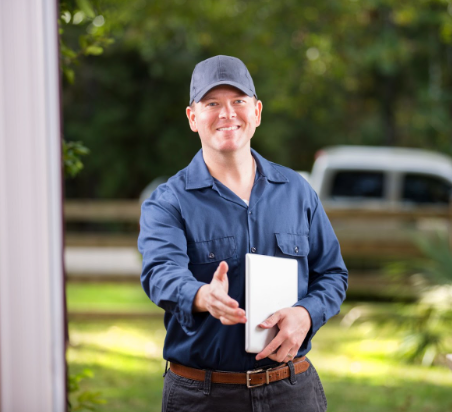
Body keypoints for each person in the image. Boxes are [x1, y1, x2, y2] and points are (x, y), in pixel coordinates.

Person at [138, 55, 348, 412]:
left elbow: (332, 274)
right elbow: (160, 274)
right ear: (193, 117)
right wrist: (203, 296)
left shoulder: (298, 191)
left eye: (238, 101)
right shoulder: (168, 202)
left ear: (257, 112)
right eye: (212, 103)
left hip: (291, 390)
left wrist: (308, 314)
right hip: (201, 397)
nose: (227, 113)